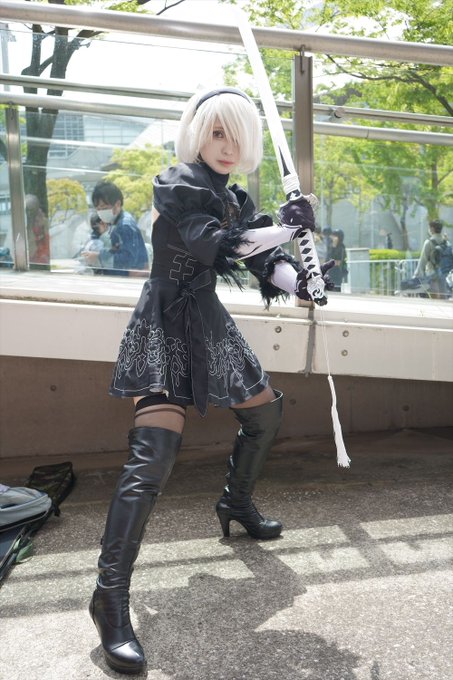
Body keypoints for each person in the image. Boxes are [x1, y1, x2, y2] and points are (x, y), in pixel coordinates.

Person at [89, 87, 334, 675]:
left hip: (207, 319)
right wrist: (285, 227)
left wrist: (302, 281)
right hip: (166, 319)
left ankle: (236, 501)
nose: (226, 145)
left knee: (266, 411)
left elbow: (259, 260)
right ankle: (109, 597)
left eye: (236, 135)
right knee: (152, 458)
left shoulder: (235, 197)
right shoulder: (178, 183)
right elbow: (214, 245)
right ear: (198, 133)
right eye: (217, 132)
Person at [86, 181, 149, 276]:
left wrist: (99, 256)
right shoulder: (115, 222)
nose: (101, 212)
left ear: (118, 204)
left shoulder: (125, 226)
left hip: (132, 278)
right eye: (98, 209)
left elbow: (129, 260)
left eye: (104, 208)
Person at [413, 219, 452, 299]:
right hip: (444, 275)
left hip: (432, 275)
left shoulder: (429, 242)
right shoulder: (447, 243)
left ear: (432, 229)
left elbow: (422, 262)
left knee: (434, 300)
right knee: (443, 299)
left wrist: (416, 276)